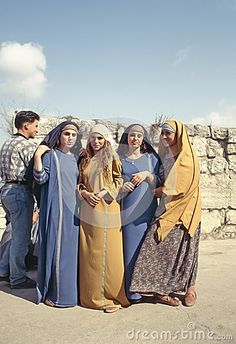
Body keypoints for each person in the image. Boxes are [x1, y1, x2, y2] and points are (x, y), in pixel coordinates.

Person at [130, 119, 201, 307]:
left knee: (187, 251)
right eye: (162, 133)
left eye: (168, 133)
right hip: (167, 209)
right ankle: (159, 291)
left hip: (186, 210)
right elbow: (161, 178)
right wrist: (147, 176)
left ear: (177, 134)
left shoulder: (188, 156)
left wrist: (158, 192)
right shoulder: (166, 155)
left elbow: (182, 185)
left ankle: (190, 288)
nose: (164, 137)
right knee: (155, 246)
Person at [78, 124, 129, 313]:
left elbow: (119, 180)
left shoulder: (112, 157)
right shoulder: (84, 158)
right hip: (88, 210)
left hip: (108, 208)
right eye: (93, 138)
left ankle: (110, 298)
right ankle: (91, 297)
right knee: (90, 255)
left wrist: (104, 192)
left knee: (110, 255)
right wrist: (84, 194)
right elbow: (80, 183)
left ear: (105, 139)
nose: (96, 142)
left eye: (100, 138)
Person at [33, 121, 81, 308]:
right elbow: (41, 179)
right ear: (59, 135)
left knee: (70, 253)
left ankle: (69, 294)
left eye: (73, 135)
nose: (70, 138)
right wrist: (38, 155)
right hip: (56, 211)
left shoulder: (74, 158)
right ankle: (54, 294)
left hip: (73, 212)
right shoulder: (50, 156)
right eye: (66, 133)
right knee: (57, 250)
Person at [117, 124, 161, 303]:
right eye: (131, 135)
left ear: (144, 139)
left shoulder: (152, 159)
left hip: (149, 212)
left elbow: (161, 182)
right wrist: (121, 188)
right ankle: (131, 292)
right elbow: (110, 184)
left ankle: (148, 289)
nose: (135, 138)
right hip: (128, 213)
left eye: (139, 136)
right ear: (126, 137)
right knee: (130, 252)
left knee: (149, 252)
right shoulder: (119, 159)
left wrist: (147, 175)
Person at [0, 110, 40, 289]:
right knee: (21, 238)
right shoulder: (27, 146)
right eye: (36, 126)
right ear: (26, 125)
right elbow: (35, 174)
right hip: (20, 191)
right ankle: (17, 278)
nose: (37, 130)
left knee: (13, 231)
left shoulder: (7, 143)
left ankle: (3, 271)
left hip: (7, 190)